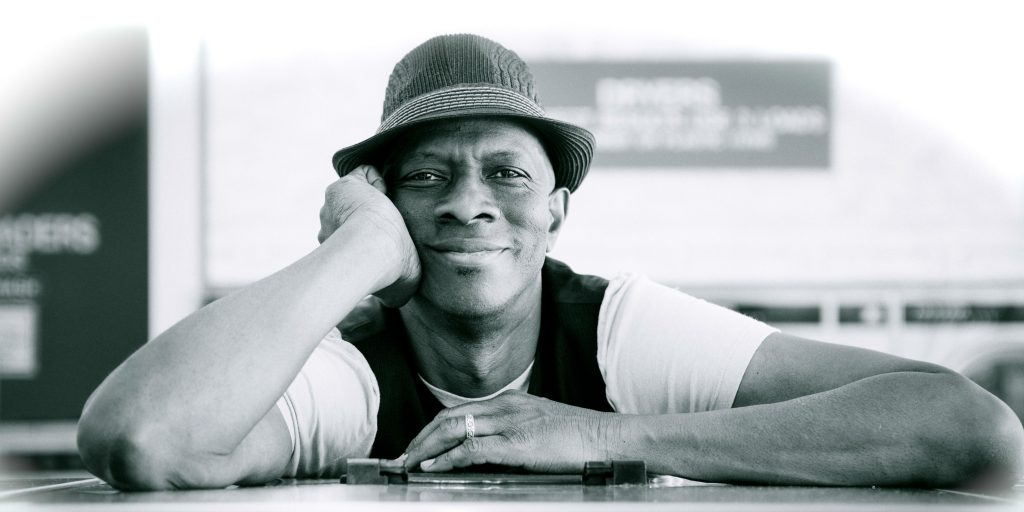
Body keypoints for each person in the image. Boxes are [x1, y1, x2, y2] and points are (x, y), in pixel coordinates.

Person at [77, 33, 1022, 491]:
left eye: (506, 173)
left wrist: (603, 436)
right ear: (385, 206)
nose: (468, 202)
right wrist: (356, 249)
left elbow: (970, 427)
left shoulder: (619, 332)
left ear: (557, 214)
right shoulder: (349, 370)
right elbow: (142, 439)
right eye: (426, 178)